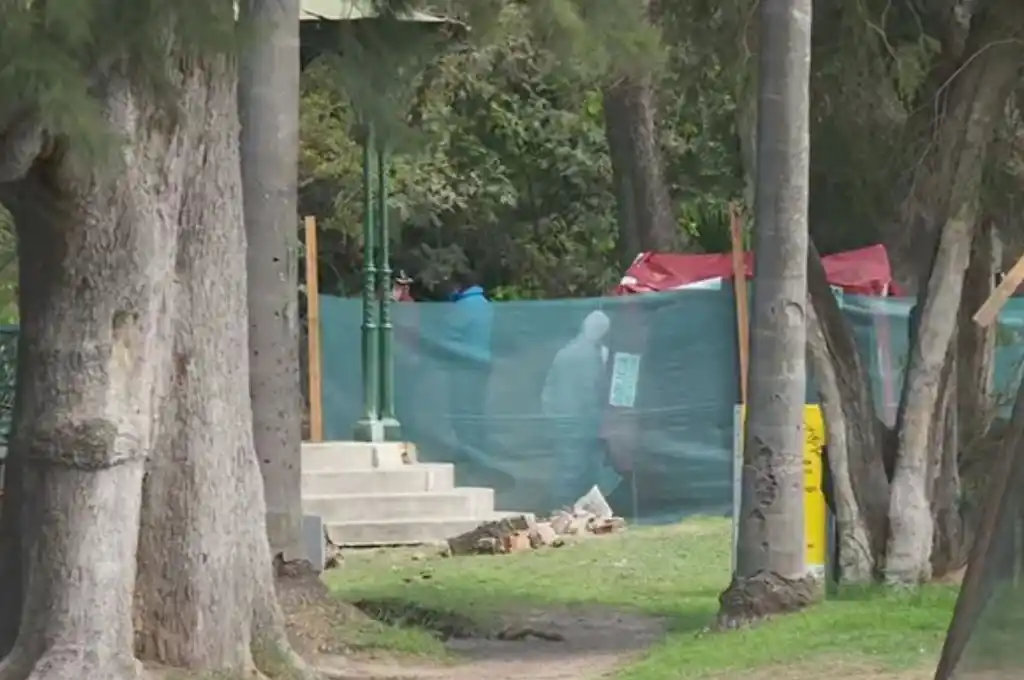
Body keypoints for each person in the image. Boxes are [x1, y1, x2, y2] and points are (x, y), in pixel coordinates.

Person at [541, 310, 621, 508]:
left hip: (578, 421)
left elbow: (549, 389)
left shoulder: (571, 352)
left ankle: (571, 508)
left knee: (580, 468)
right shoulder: (581, 354)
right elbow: (594, 388)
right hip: (577, 421)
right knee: (574, 469)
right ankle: (565, 508)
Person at [443, 271, 494, 460]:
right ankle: (479, 449)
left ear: (459, 286)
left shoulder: (463, 307)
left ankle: (468, 453)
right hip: (483, 364)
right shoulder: (485, 304)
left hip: (464, 366)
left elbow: (448, 334)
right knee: (476, 409)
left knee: (461, 409)